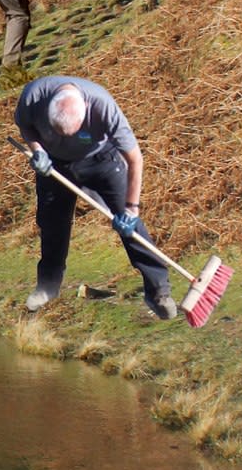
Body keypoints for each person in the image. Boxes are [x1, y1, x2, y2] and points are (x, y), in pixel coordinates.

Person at [14, 75, 175, 319]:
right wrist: (38, 151)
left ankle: (158, 291)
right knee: (52, 225)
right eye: (58, 133)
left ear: (85, 114)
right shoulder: (32, 97)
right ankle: (47, 288)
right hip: (53, 165)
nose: (64, 138)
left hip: (101, 160)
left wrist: (132, 209)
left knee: (131, 227)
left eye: (70, 133)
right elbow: (25, 126)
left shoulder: (104, 107)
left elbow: (135, 159)